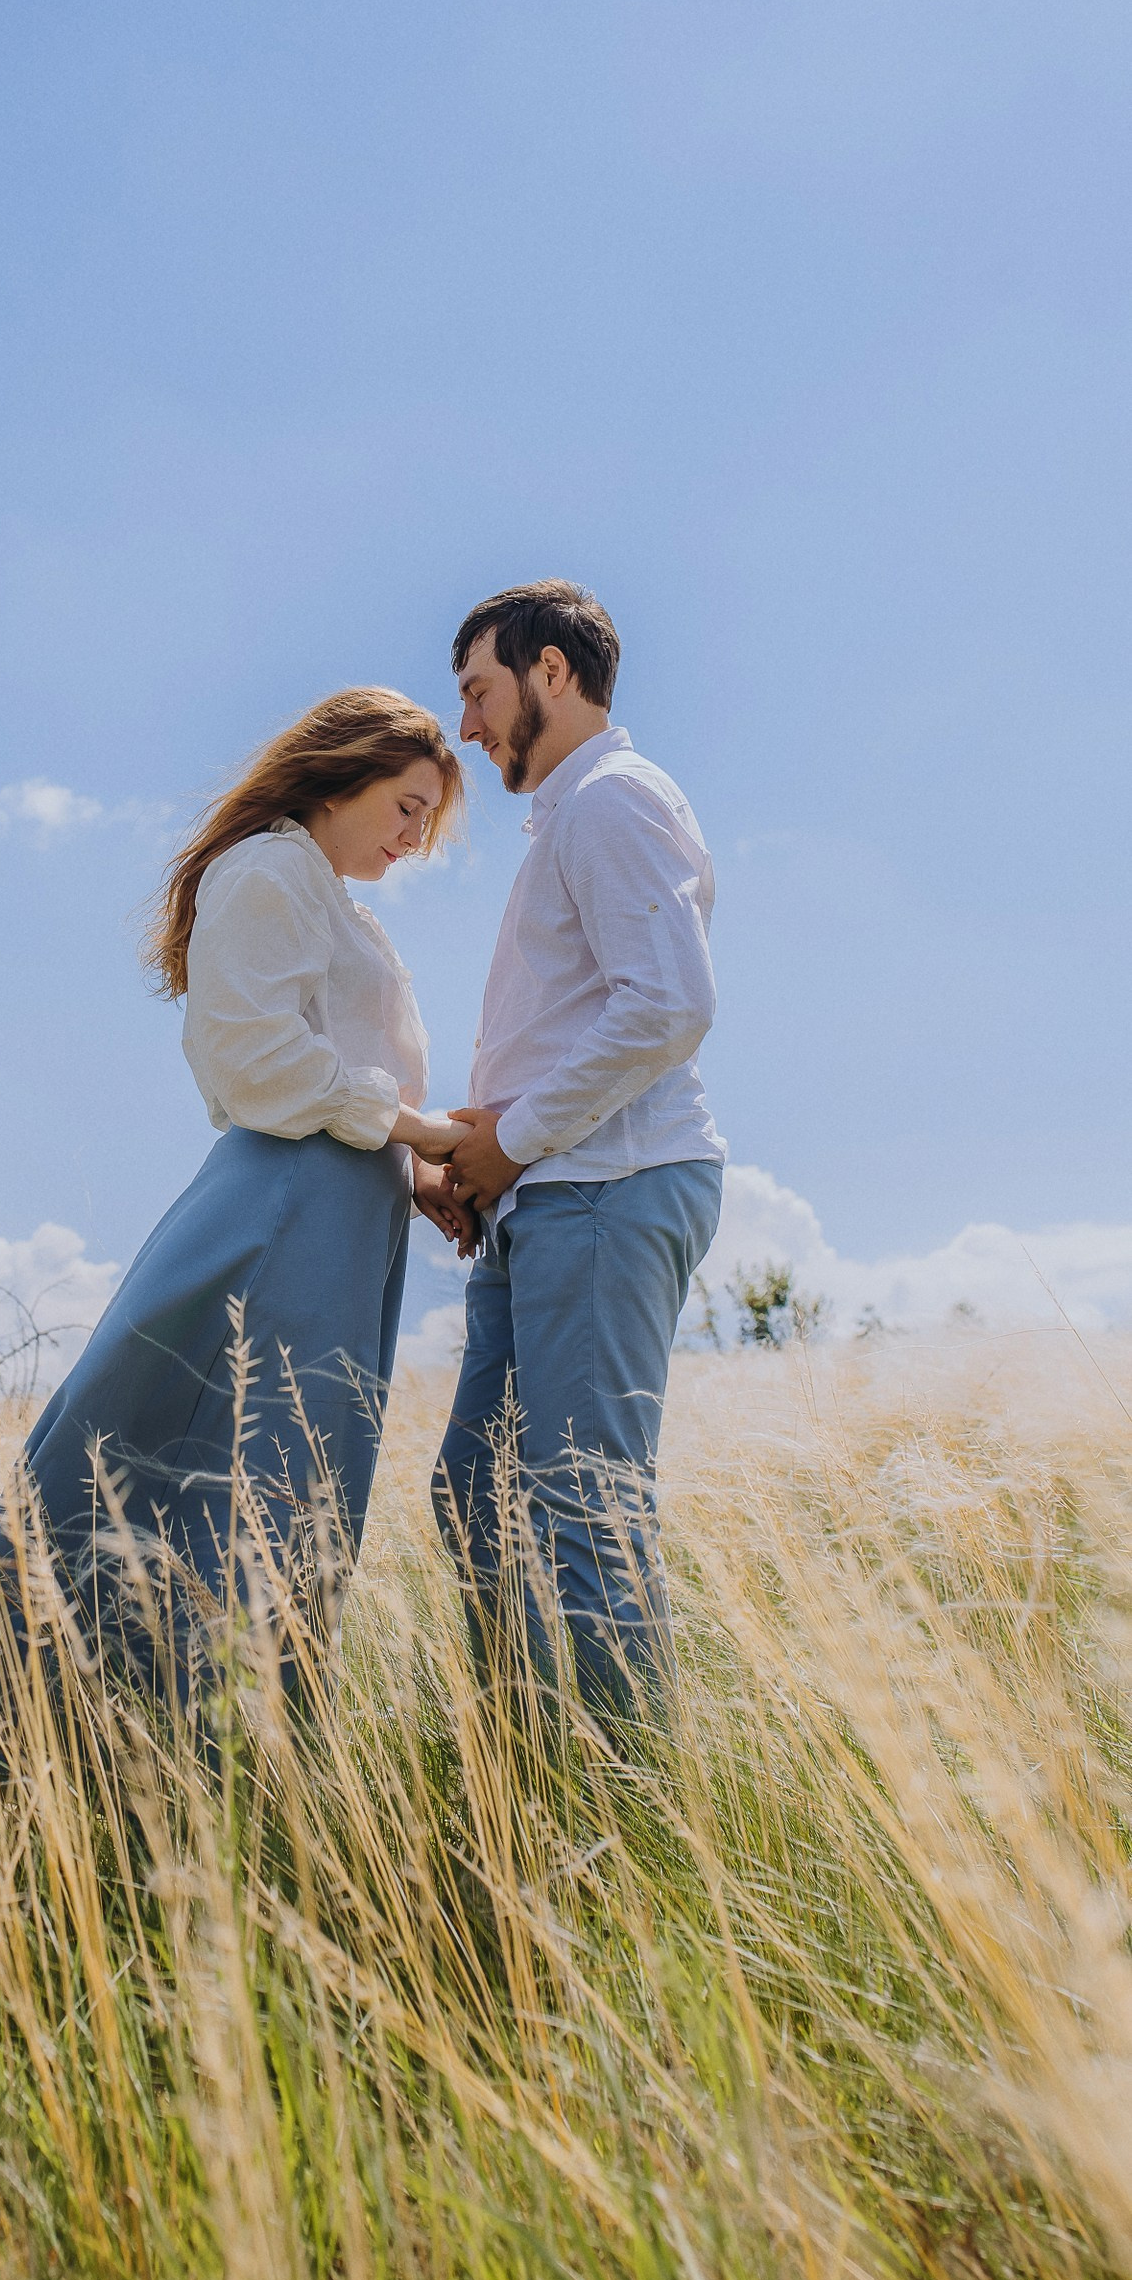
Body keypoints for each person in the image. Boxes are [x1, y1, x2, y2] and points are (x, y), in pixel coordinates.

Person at [0, 687, 469, 1817]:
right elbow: (254, 1065)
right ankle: (40, 1790)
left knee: (291, 1503)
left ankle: (230, 1796)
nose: (412, 840)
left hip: (344, 1221)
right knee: (195, 1490)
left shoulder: (346, 910)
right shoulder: (266, 870)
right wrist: (421, 1134)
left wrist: (421, 1174)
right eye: (405, 809)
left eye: (426, 823)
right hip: (281, 1218)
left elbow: (345, 1078)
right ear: (340, 773)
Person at [432, 580, 725, 1726]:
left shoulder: (611, 800)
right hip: (547, 1196)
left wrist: (509, 1140)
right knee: (476, 1496)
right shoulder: (574, 815)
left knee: (582, 1509)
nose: (466, 725)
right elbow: (575, 1023)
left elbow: (668, 1007)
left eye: (477, 689)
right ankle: (525, 1768)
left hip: (606, 1189)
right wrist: (478, 1156)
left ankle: (628, 1808)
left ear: (551, 672)